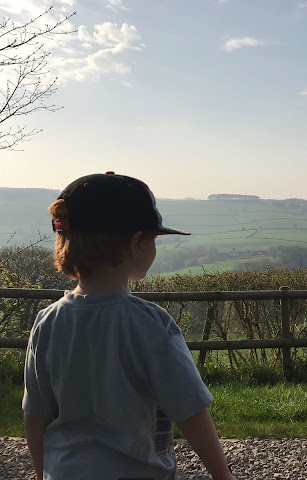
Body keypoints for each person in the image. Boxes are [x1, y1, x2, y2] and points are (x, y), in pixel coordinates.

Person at [22, 172, 236, 480]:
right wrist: (222, 475)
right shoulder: (150, 324)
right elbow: (190, 410)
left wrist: (42, 472)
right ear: (136, 243)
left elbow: (35, 414)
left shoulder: (47, 322)